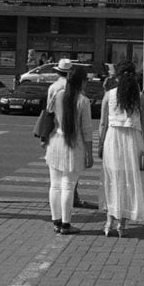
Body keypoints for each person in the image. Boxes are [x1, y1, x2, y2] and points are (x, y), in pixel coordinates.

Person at [99, 61, 144, 237]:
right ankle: (122, 224)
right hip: (133, 140)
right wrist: (142, 147)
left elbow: (102, 124)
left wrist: (100, 143)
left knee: (113, 179)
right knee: (129, 180)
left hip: (112, 138)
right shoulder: (140, 97)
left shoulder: (109, 95)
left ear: (118, 76)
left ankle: (109, 221)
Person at [45, 66, 95, 235]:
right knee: (68, 186)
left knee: (55, 185)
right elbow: (87, 130)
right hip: (74, 145)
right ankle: (66, 224)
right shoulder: (83, 101)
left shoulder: (58, 95)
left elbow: (49, 113)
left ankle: (56, 221)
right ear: (82, 81)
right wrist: (90, 153)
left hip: (56, 143)